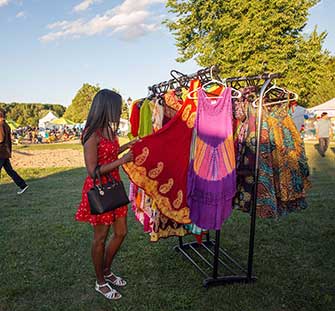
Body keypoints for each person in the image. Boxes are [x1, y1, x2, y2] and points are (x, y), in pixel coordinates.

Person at [75, 89, 137, 300]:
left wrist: (126, 147)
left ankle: (107, 270)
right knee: (100, 238)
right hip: (99, 190)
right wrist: (123, 160)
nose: (119, 111)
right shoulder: (91, 134)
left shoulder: (108, 131)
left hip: (114, 186)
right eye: (117, 107)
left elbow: (109, 154)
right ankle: (100, 282)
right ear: (106, 107)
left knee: (121, 232)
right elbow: (92, 170)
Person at [0, 108, 29, 194]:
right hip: (5, 152)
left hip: (1, 152)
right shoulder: (6, 125)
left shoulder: (1, 125)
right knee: (10, 171)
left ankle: (22, 185)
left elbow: (1, 139)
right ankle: (22, 185)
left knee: (10, 171)